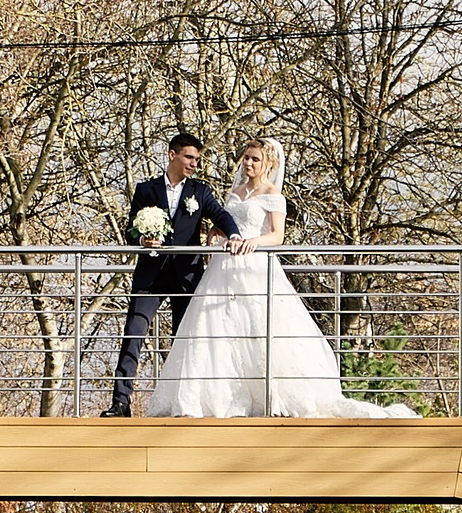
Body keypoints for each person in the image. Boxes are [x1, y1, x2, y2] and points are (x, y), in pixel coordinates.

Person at [144, 136, 417, 420]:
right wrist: (218, 232)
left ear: (268, 164)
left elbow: (278, 235)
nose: (248, 163)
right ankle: (215, 397)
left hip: (255, 267)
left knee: (259, 327)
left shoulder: (273, 194)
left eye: (255, 159)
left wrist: (254, 242)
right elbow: (227, 222)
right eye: (246, 157)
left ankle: (266, 395)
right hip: (224, 268)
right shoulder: (234, 191)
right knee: (216, 329)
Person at [105, 130, 236, 418]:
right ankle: (121, 402)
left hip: (186, 276)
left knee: (184, 340)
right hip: (150, 276)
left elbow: (221, 214)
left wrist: (234, 233)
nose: (194, 164)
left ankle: (183, 403)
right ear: (172, 155)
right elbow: (131, 231)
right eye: (189, 157)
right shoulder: (145, 190)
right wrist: (142, 241)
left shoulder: (199, 192)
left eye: (197, 160)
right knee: (133, 333)